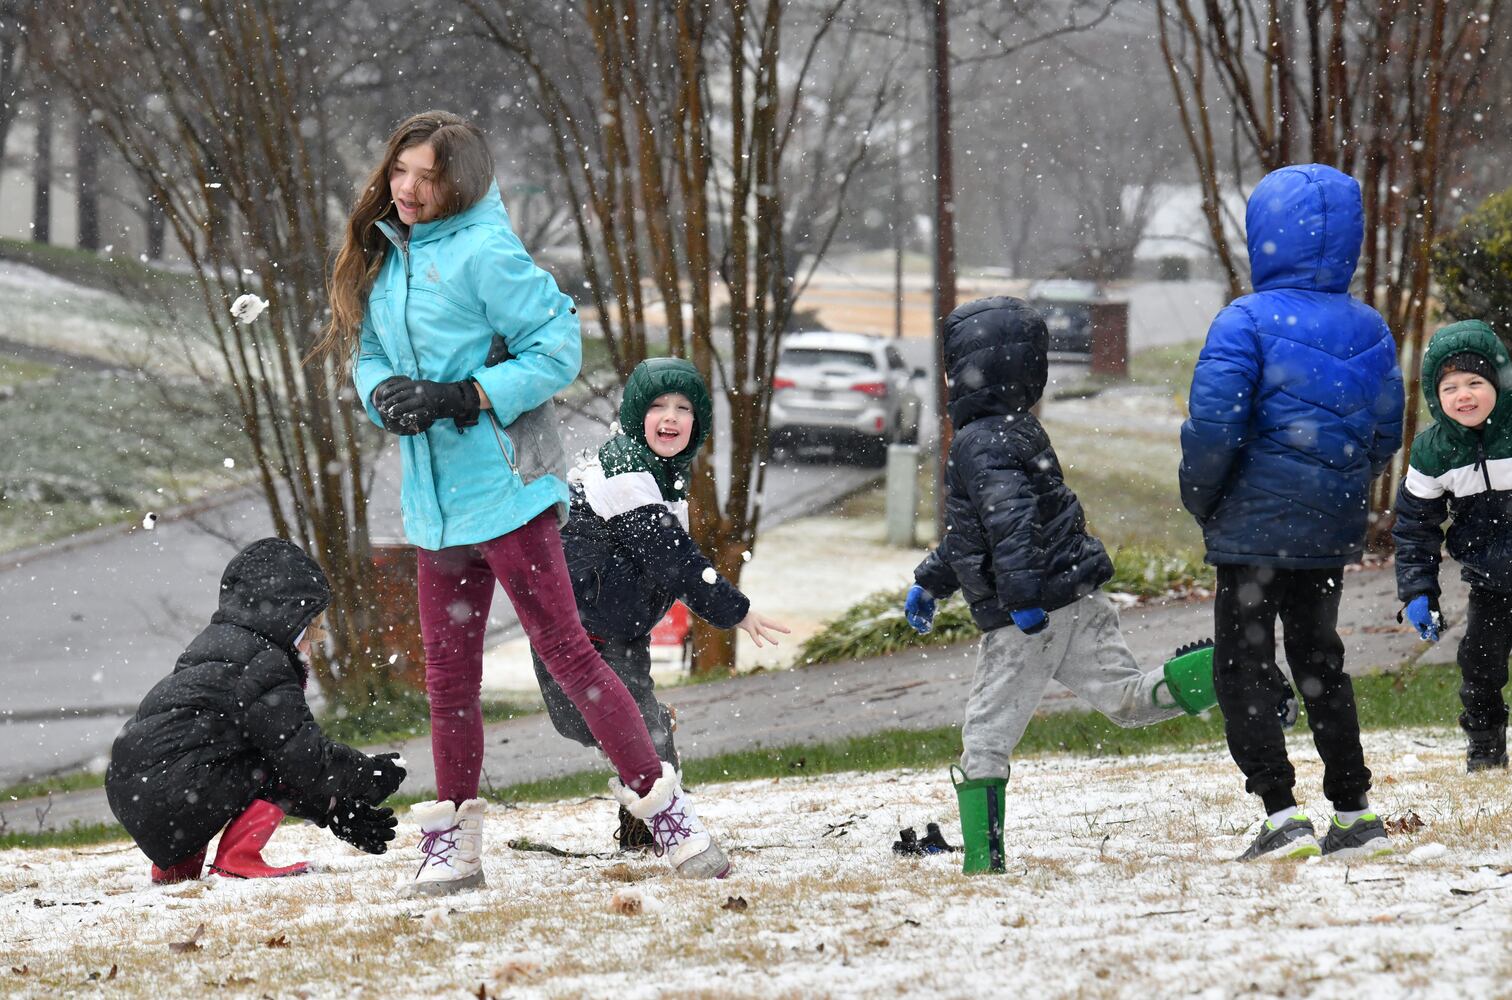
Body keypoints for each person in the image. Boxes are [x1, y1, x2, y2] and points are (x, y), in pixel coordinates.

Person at [311, 111, 729, 893]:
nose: (408, 188)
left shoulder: (484, 251)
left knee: (572, 654)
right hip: (434, 508)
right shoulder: (386, 253)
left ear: (457, 182)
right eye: (401, 170)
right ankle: (455, 846)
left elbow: (558, 346)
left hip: (505, 492)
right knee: (447, 681)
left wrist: (465, 393)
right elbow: (366, 352)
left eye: (427, 177)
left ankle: (666, 813)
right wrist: (385, 397)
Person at [903, 295, 1217, 876]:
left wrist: (1021, 599)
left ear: (972, 371)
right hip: (1077, 596)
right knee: (1126, 699)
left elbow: (1011, 523)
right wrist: (933, 580)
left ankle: (983, 858)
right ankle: (1223, 671)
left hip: (1031, 616)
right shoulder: (1020, 430)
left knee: (986, 736)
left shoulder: (977, 441)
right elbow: (980, 530)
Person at [1179, 163, 1404, 862]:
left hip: (1251, 531)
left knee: (1243, 667)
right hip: (1326, 528)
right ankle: (1354, 808)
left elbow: (1214, 427)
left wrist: (1204, 498)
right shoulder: (1368, 325)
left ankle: (1280, 811)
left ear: (1265, 236)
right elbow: (1385, 430)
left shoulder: (1243, 322)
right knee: (1321, 662)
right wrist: (1341, 486)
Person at [534, 357, 789, 850]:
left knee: (640, 731)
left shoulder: (665, 472)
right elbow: (674, 559)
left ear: (698, 425)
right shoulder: (625, 470)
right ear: (635, 414)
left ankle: (660, 832)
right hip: (572, 625)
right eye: (657, 406)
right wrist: (737, 611)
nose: (670, 417)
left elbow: (667, 560)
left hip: (621, 630)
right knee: (576, 722)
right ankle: (649, 766)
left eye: (683, 408)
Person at [105, 538, 405, 883]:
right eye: (312, 627)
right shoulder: (265, 662)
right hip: (174, 794)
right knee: (272, 760)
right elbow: (304, 759)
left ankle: (176, 866)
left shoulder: (218, 644)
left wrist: (334, 810)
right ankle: (238, 858)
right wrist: (368, 777)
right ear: (287, 617)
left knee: (224, 753)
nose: (313, 641)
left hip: (136, 792)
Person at [1393, 320, 1512, 772]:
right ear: (1435, 395)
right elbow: (1415, 527)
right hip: (1490, 582)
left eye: (1475, 382)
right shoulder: (1433, 452)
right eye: (1450, 387)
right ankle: (1484, 747)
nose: (1464, 395)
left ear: (1497, 382)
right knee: (1479, 668)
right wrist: (1417, 590)